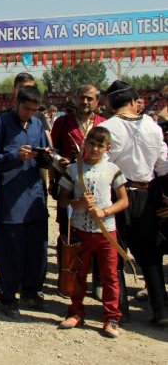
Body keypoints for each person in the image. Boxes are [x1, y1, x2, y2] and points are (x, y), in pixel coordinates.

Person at [98, 80, 168, 325]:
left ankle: (119, 312)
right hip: (147, 194)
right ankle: (160, 310)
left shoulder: (105, 128)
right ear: (132, 101)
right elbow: (163, 166)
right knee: (150, 255)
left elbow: (98, 167)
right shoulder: (152, 126)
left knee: (115, 255)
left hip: (116, 196)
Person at [57, 127, 129, 338]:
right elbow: (62, 199)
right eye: (92, 143)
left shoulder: (113, 169)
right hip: (80, 230)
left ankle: (112, 317)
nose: (95, 148)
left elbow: (124, 200)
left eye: (100, 145)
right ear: (85, 144)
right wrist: (76, 203)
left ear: (108, 148)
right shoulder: (73, 169)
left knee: (109, 276)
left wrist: (105, 211)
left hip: (106, 232)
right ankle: (76, 311)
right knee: (77, 274)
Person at [0, 85, 50, 318]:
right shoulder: (1, 124)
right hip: (10, 198)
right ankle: (8, 295)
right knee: (10, 250)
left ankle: (31, 290)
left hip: (34, 195)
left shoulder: (37, 125)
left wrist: (48, 156)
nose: (29, 114)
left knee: (37, 248)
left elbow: (45, 155)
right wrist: (15, 156)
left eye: (34, 110)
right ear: (17, 102)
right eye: (26, 109)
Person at [50, 85, 107, 298]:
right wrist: (59, 163)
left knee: (98, 233)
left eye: (90, 99)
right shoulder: (62, 123)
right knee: (68, 234)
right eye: (82, 97)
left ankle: (98, 281)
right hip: (69, 184)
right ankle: (68, 277)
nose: (85, 102)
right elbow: (52, 152)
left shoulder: (103, 124)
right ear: (75, 98)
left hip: (97, 187)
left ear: (97, 102)